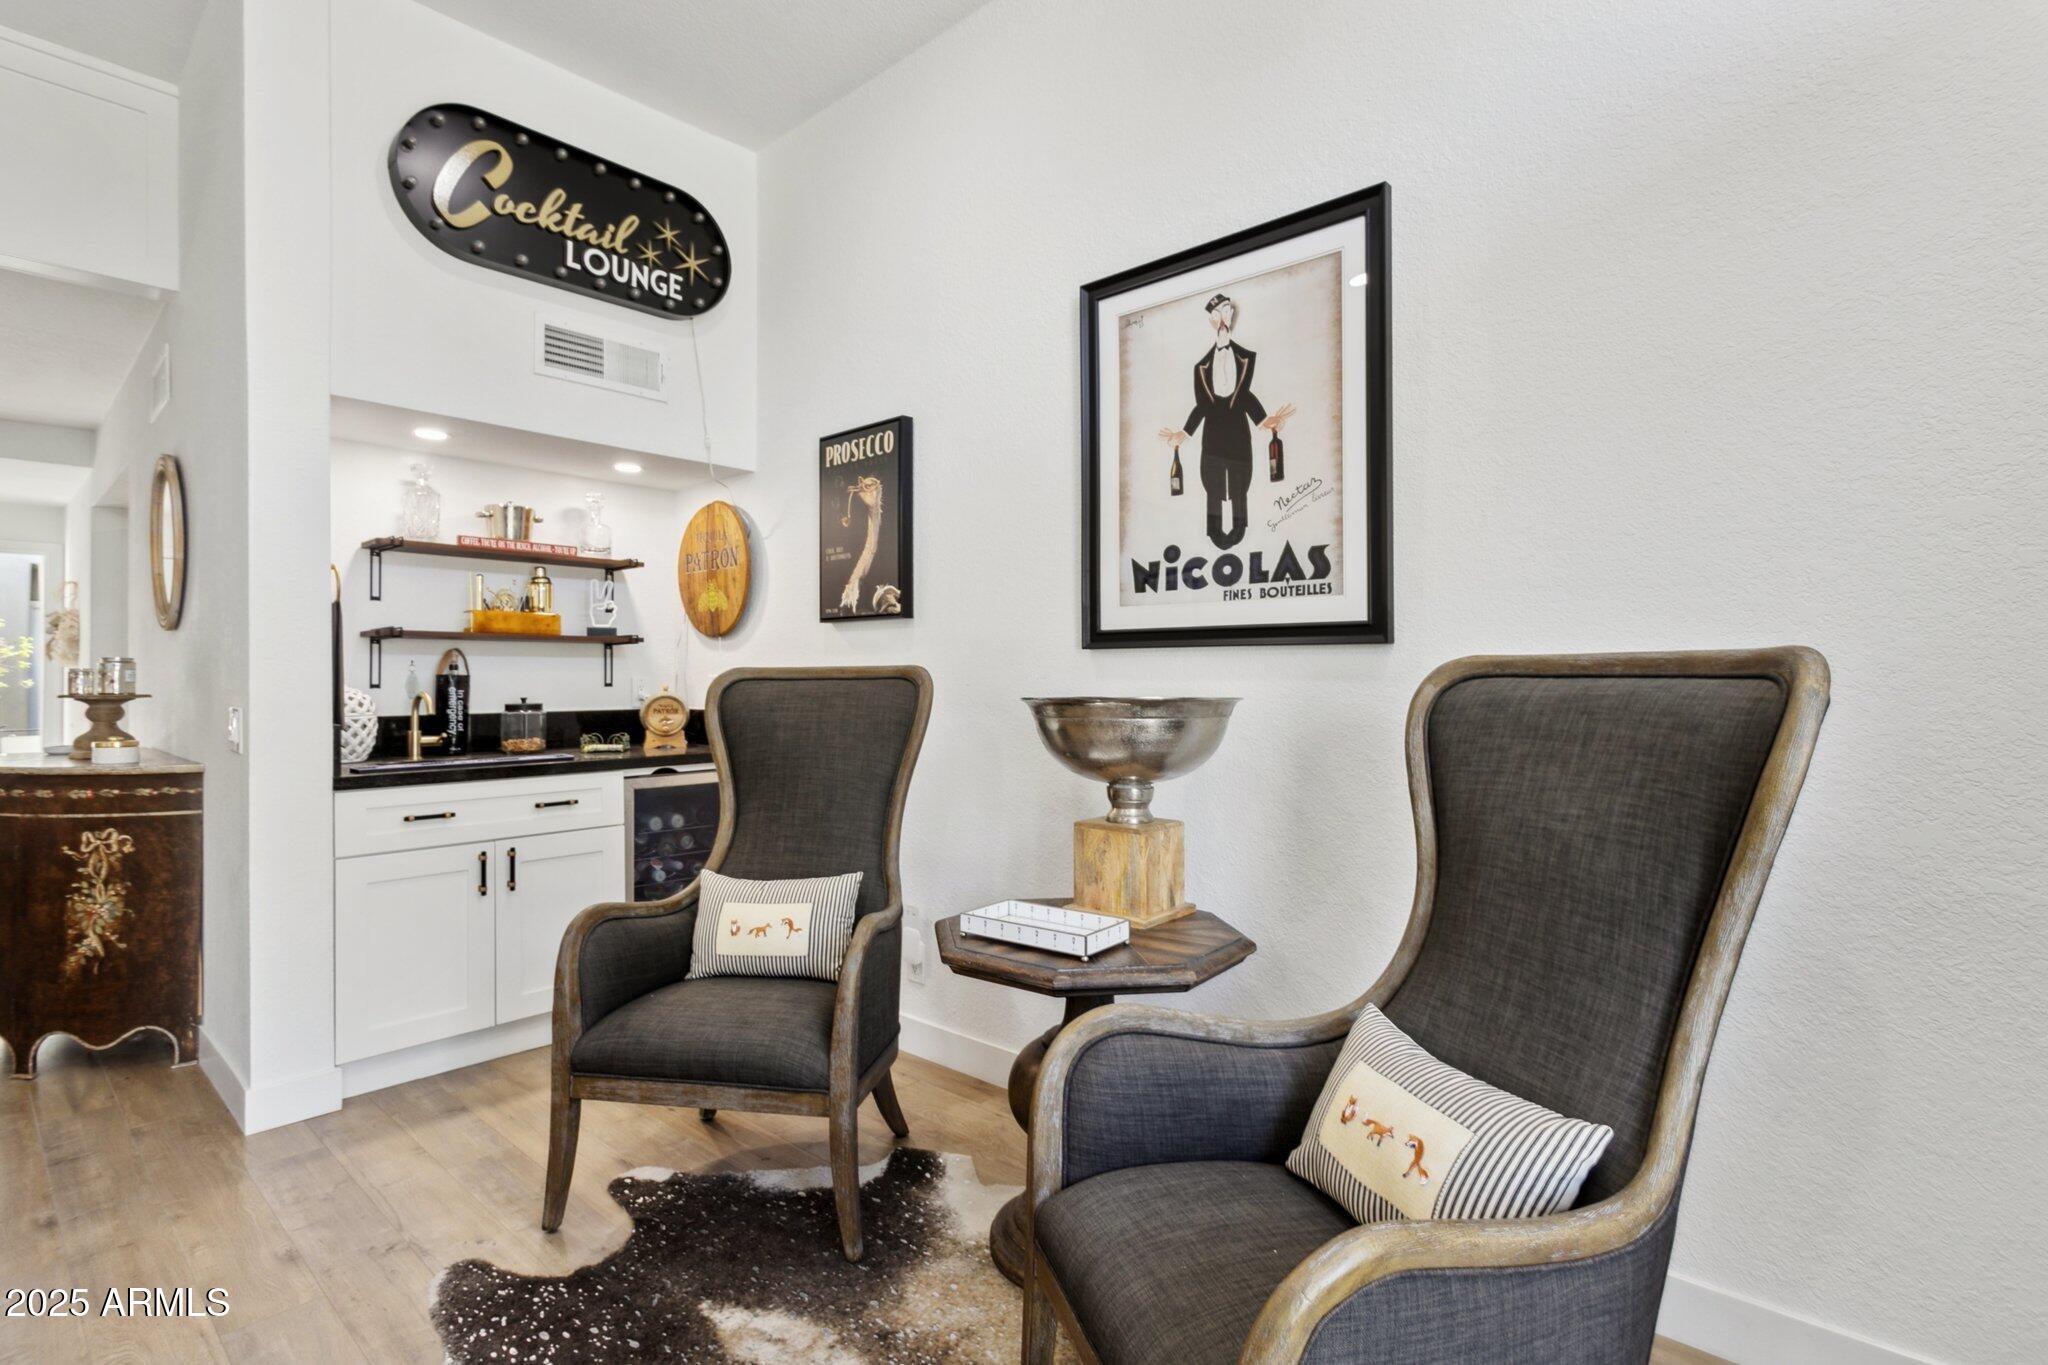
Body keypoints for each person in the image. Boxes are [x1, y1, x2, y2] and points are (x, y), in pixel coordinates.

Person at [1159, 293, 1295, 549]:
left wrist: (1265, 420)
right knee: (1212, 482)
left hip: (1238, 433)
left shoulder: (1245, 357)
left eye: (1228, 310)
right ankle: (1214, 530)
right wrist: (1185, 433)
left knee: (1240, 481)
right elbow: (1202, 405)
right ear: (1211, 319)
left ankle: (1239, 528)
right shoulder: (1200, 366)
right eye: (1219, 311)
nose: (1224, 316)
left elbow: (1244, 396)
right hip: (1211, 436)